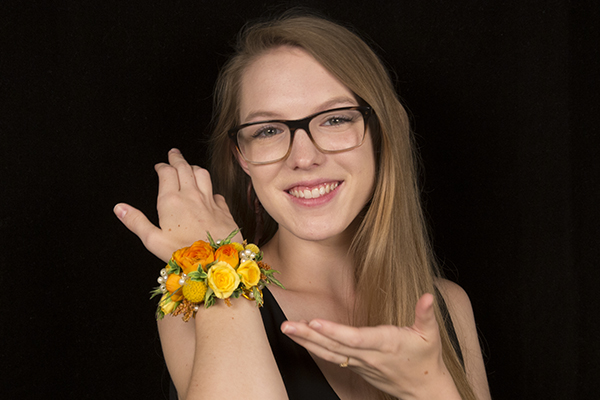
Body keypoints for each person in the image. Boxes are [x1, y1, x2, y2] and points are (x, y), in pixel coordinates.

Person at [113, 12, 491, 400]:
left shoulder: (448, 306)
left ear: (380, 135)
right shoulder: (191, 305)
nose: (304, 157)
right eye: (269, 130)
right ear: (242, 156)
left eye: (335, 119)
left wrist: (432, 390)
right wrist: (217, 267)